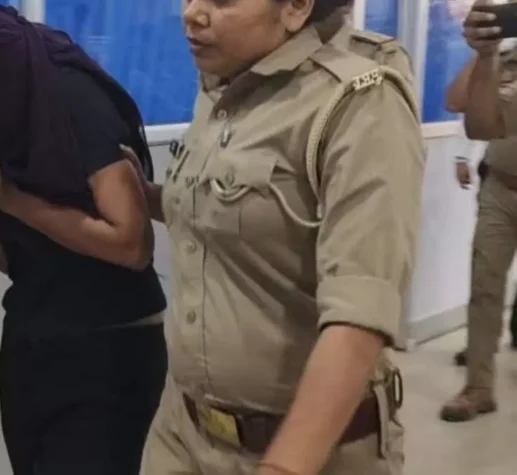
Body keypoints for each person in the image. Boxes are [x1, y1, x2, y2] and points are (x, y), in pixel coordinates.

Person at [127, 1, 424, 474]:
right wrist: (145, 197)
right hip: (182, 431)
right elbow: (227, 216)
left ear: (296, 7)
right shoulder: (221, 85)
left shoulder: (358, 101)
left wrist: (284, 466)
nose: (193, 12)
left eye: (222, 0)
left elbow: (359, 318)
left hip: (306, 450)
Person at [0, 5, 168, 475]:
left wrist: (5, 195)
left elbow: (132, 246)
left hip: (114, 337)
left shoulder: (74, 101)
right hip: (32, 336)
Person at [439, 0, 517, 421]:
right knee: (485, 287)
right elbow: (460, 106)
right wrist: (485, 53)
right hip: (501, 188)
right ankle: (478, 387)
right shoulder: (506, 59)